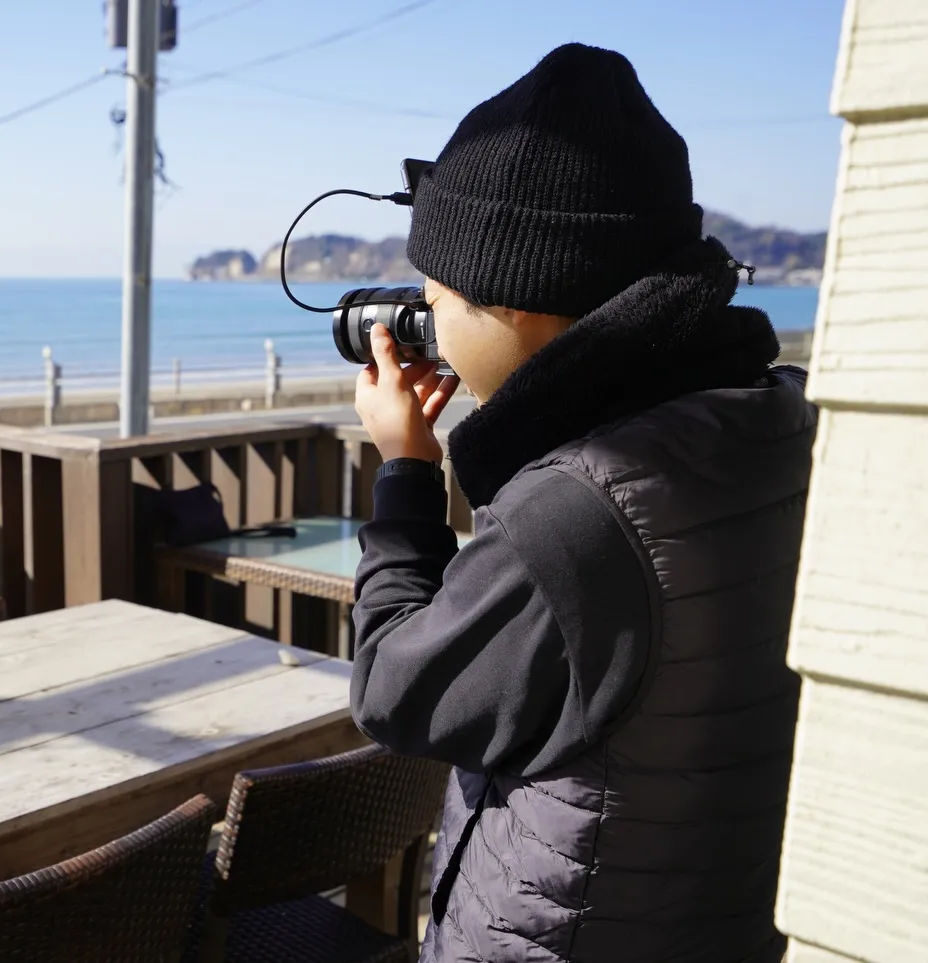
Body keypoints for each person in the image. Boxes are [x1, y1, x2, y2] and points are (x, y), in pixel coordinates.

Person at [349, 44, 813, 963]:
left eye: (439, 299)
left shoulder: (575, 511)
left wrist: (405, 467)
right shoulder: (773, 418)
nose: (430, 325)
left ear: (517, 303)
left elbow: (393, 689)